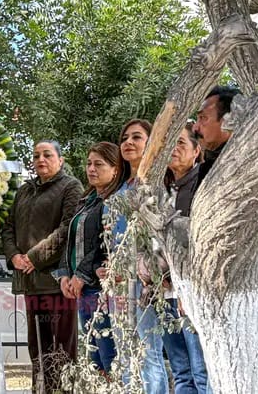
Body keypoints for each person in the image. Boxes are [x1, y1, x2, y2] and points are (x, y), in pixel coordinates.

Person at [193, 86, 258, 328]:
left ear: (229, 120)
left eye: (202, 118)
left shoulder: (248, 164)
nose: (195, 127)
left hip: (247, 289)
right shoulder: (209, 165)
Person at [2, 140, 83, 392]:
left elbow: (67, 228)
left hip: (58, 282)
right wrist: (15, 256)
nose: (41, 160)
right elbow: (8, 228)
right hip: (30, 282)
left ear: (61, 159)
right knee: (38, 349)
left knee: (61, 351)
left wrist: (32, 258)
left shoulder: (71, 186)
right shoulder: (24, 191)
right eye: (36, 155)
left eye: (47, 155)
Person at [97, 119, 169, 394]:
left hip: (146, 282)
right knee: (124, 351)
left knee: (148, 353)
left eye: (136, 137)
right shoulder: (119, 190)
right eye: (124, 137)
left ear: (151, 142)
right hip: (118, 284)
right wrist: (108, 266)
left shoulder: (156, 184)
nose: (128, 142)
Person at [54, 142, 123, 374]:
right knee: (93, 354)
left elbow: (100, 245)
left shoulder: (114, 201)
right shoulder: (86, 200)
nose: (91, 169)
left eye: (99, 164)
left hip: (98, 287)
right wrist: (64, 275)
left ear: (115, 169)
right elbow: (70, 241)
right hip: (81, 288)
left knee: (108, 353)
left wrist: (81, 275)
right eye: (89, 163)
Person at [161, 124, 211, 394]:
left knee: (201, 371)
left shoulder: (202, 185)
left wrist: (185, 288)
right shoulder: (164, 190)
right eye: (170, 143)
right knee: (181, 371)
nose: (174, 149)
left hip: (190, 293)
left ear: (197, 150)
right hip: (163, 293)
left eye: (181, 143)